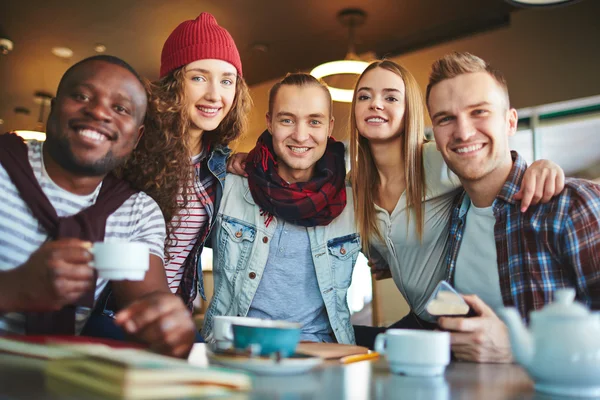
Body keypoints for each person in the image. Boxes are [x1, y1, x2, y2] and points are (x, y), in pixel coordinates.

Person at [346, 59, 566, 347]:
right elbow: (380, 256)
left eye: (390, 97)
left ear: (409, 110)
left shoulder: (439, 161)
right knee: (340, 344)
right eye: (365, 96)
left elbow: (490, 166)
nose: (375, 104)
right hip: (420, 320)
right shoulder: (355, 184)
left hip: (460, 323)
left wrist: (540, 166)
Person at [0, 55, 196, 358]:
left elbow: (148, 301)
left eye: (120, 108)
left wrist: (167, 324)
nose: (98, 111)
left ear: (136, 137)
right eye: (81, 96)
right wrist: (14, 288)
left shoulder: (135, 213)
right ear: (54, 109)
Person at [426, 51, 600, 363]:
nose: (463, 132)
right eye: (445, 118)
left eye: (479, 112)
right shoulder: (447, 217)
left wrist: (518, 348)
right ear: (435, 136)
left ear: (510, 122)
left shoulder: (571, 205)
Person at [202, 73, 360, 344]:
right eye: (287, 120)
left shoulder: (353, 202)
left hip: (321, 353)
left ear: (329, 126)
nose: (300, 135)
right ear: (270, 123)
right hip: (236, 347)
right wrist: (219, 160)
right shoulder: (228, 185)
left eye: (314, 121)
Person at [119, 13, 251, 310]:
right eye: (199, 77)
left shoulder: (217, 166)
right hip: (116, 314)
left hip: (174, 316)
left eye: (227, 81)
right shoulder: (130, 150)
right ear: (173, 83)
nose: (215, 95)